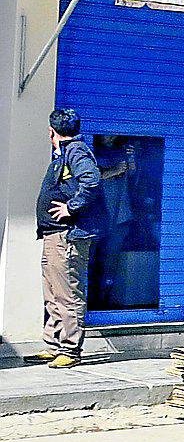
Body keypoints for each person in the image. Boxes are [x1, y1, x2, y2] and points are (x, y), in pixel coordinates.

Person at [35, 108, 106, 369]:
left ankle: (70, 349)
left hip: (68, 235)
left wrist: (71, 207)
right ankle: (53, 343)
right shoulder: (64, 154)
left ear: (51, 131)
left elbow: (92, 181)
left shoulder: (75, 151)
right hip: (53, 234)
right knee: (52, 292)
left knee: (67, 292)